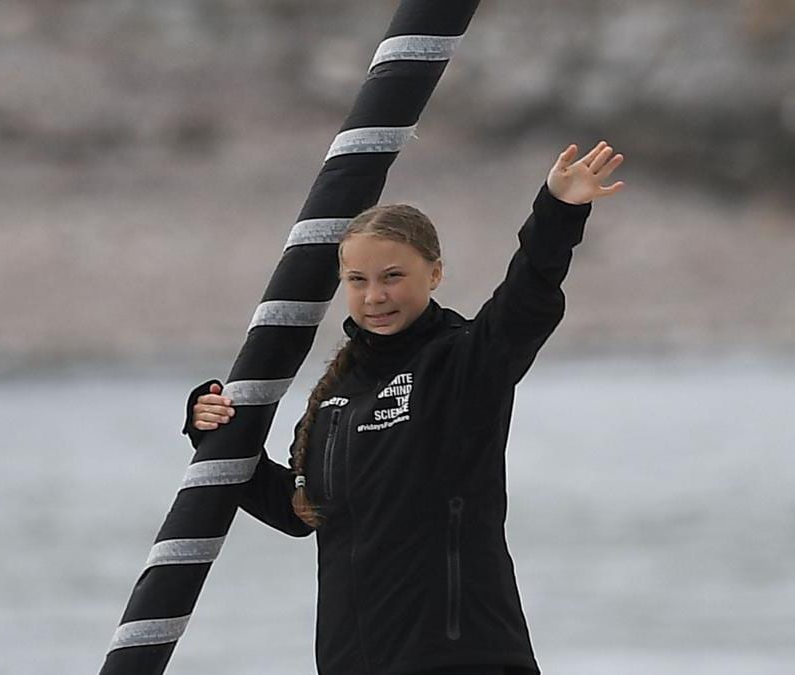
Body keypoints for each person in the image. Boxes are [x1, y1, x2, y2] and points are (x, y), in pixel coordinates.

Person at [185, 141, 624, 675]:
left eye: (393, 276)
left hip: (466, 657)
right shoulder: (333, 398)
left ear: (434, 274)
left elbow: (527, 297)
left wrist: (559, 210)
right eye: (358, 281)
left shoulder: (464, 362)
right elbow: (298, 513)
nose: (375, 296)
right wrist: (213, 433)